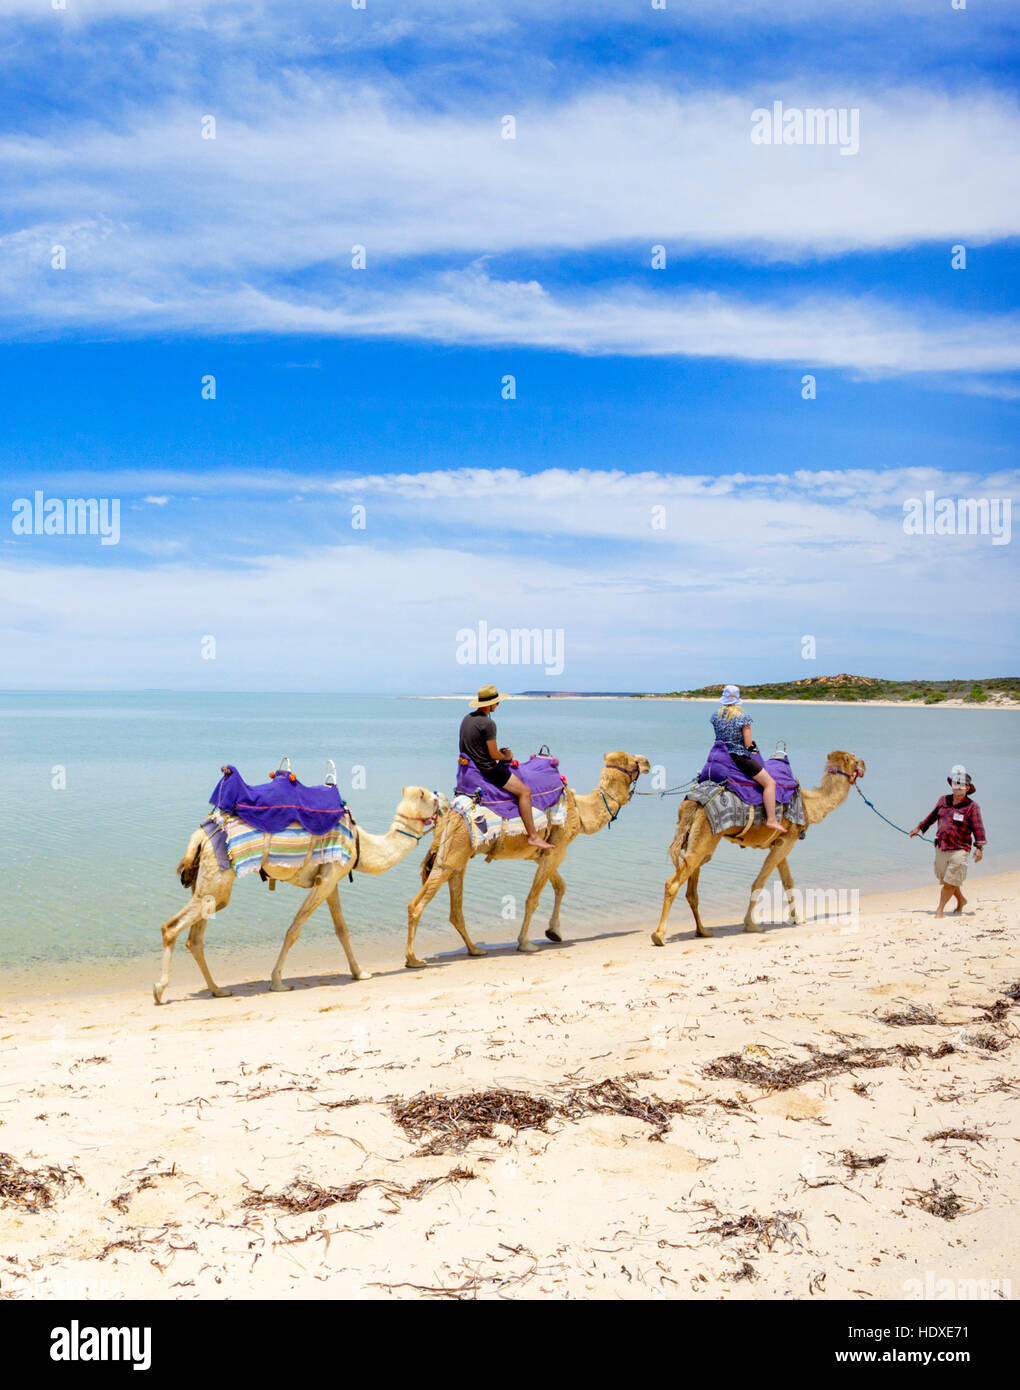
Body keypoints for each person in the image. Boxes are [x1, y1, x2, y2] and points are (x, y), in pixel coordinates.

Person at [459, 684, 552, 851]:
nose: (497, 705)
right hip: (487, 770)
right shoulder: (488, 724)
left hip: (469, 770)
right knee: (525, 792)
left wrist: (494, 754)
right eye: (497, 703)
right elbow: (494, 755)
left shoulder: (467, 719)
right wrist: (507, 756)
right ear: (490, 705)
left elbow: (471, 747)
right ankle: (533, 836)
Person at [910, 765, 986, 918]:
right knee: (947, 879)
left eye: (961, 785)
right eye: (955, 784)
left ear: (967, 788)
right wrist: (919, 828)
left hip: (960, 849)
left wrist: (979, 848)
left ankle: (940, 910)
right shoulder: (943, 800)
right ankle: (961, 900)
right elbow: (932, 816)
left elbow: (978, 828)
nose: (957, 788)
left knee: (950, 880)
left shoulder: (972, 807)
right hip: (942, 846)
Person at [710, 684, 784, 833]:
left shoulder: (715, 716)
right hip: (738, 758)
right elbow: (748, 743)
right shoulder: (743, 717)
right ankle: (772, 819)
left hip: (718, 757)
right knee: (770, 783)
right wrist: (752, 748)